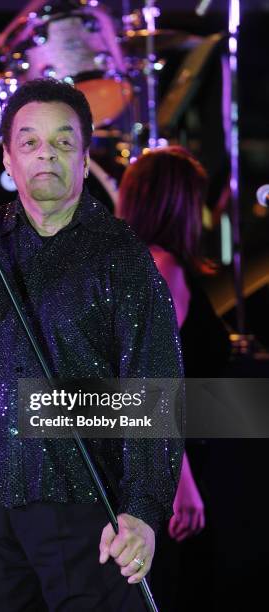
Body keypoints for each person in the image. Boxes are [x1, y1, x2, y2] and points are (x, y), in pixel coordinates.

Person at [0, 78, 184, 611]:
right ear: (8, 161)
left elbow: (155, 387)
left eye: (62, 142)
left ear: (83, 159)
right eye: (29, 142)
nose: (45, 155)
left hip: (83, 507)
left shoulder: (119, 255)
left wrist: (144, 511)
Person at [116, 145, 231, 610]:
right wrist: (182, 485)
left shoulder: (135, 265)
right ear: (178, 201)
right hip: (175, 466)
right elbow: (148, 385)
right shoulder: (164, 268)